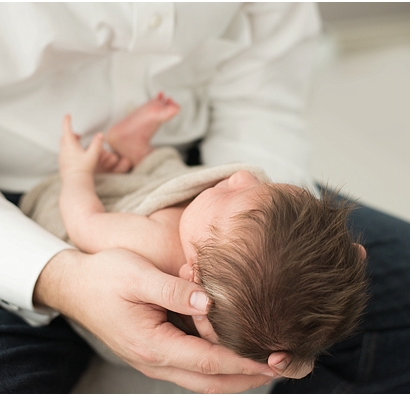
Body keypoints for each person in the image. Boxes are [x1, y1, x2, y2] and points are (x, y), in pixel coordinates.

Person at [0, 3, 409, 393]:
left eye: (244, 195)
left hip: (119, 169)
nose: (243, 176)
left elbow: (261, 99)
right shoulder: (197, 227)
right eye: (241, 184)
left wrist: (303, 277)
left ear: (192, 275)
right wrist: (62, 275)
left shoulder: (179, 225)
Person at [19, 103, 368, 376]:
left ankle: (123, 168)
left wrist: (75, 172)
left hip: (75, 215)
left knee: (178, 197)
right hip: (193, 235)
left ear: (192, 277)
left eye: (226, 198)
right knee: (194, 194)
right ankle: (136, 148)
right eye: (266, 188)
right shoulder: (227, 283)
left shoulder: (151, 242)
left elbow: (83, 222)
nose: (242, 176)